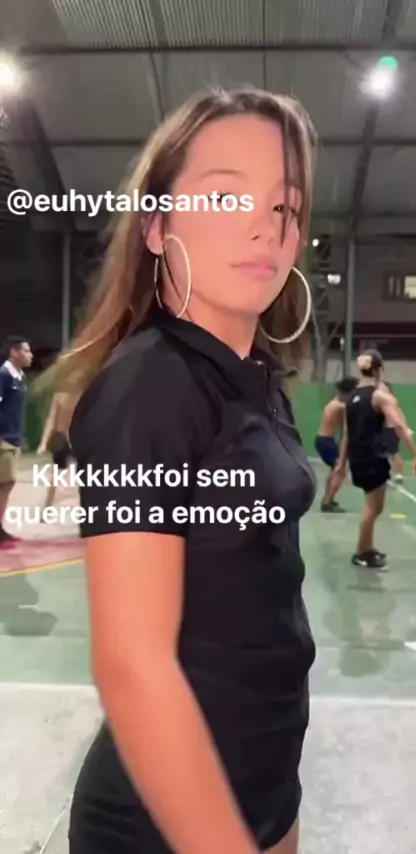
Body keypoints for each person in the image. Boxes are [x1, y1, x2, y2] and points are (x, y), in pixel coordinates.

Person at [43, 87, 318, 854]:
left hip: (264, 784)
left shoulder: (256, 379)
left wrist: (276, 802)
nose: (265, 224)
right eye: (225, 195)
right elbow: (133, 668)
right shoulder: (152, 386)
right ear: (158, 226)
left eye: (286, 206)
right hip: (168, 825)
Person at [336, 350, 416, 569]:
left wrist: (341, 463)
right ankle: (361, 553)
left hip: (358, 458)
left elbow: (346, 434)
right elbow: (399, 426)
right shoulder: (378, 396)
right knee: (373, 508)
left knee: (374, 507)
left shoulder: (351, 398)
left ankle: (367, 548)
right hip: (373, 458)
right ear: (378, 370)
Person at [0, 335, 33, 549]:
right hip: (2, 440)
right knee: (3, 485)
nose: (31, 355)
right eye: (26, 351)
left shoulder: (19, 377)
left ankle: (1, 529)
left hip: (14, 440)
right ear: (14, 352)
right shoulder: (3, 376)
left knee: (7, 485)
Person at [315, 375, 358, 512]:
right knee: (340, 471)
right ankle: (328, 501)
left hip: (323, 440)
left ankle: (327, 498)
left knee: (334, 470)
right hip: (326, 441)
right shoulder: (341, 407)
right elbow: (346, 430)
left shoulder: (334, 403)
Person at [36, 391, 75, 510]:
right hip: (61, 438)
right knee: (55, 476)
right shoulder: (59, 397)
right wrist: (43, 442)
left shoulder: (82, 394)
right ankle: (47, 506)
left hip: (77, 435)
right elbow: (51, 420)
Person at [379, 381, 405, 484]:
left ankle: (399, 474)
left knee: (395, 452)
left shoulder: (391, 400)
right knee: (381, 454)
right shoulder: (379, 399)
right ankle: (383, 474)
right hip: (381, 430)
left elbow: (399, 413)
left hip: (391, 429)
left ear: (388, 389)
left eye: (383, 387)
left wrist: (404, 427)